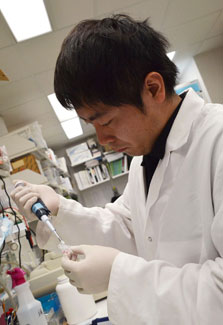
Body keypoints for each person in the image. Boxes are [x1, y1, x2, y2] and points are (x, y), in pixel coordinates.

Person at [11, 14, 223, 325]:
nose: (103, 140)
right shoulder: (143, 158)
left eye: (107, 121)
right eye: (92, 126)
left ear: (153, 88)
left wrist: (121, 275)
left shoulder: (217, 139)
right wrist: (61, 211)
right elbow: (129, 225)